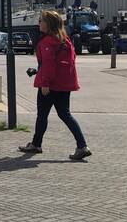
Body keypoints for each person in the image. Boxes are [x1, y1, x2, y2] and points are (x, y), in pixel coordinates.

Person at [19, 10, 92, 160]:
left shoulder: (47, 42)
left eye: (41, 21)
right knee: (65, 114)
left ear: (49, 24)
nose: (39, 23)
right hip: (65, 85)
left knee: (42, 115)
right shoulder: (66, 41)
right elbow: (69, 62)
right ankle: (82, 146)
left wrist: (45, 83)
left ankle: (36, 144)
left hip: (50, 85)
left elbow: (49, 64)